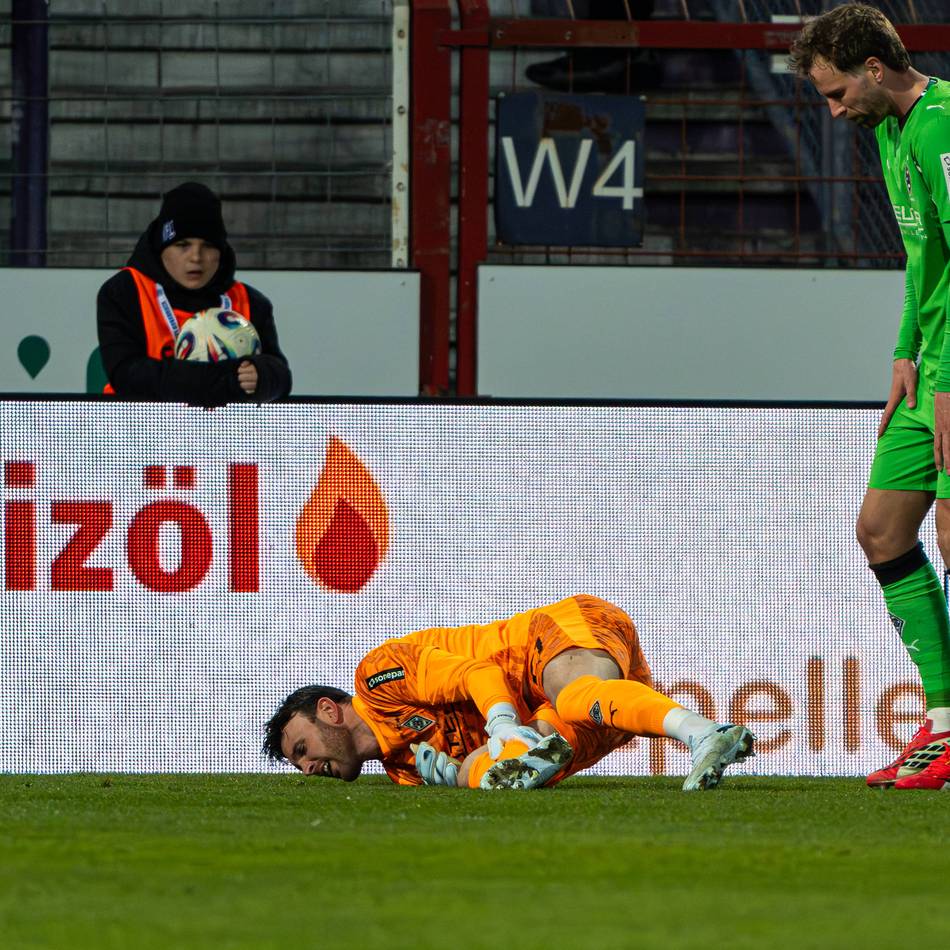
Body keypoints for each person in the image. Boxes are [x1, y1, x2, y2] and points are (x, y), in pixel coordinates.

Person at [790, 5, 950, 791]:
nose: (833, 109)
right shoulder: (891, 131)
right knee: (883, 531)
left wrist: (948, 380)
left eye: (834, 92)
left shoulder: (942, 127)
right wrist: (904, 353)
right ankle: (946, 722)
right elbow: (928, 260)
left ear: (875, 69)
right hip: (933, 364)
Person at [263, 594, 755, 791]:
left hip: (553, 641)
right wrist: (458, 774)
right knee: (495, 775)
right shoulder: (405, 774)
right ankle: (702, 735)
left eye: (301, 749)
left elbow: (480, 675)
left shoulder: (377, 678)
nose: (308, 768)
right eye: (297, 763)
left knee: (569, 696)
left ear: (328, 711)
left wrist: (498, 725)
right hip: (604, 708)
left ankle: (705, 733)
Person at [97, 181, 292, 406]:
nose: (196, 257)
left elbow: (282, 378)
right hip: (139, 428)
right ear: (162, 248)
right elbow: (129, 376)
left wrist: (262, 376)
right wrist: (229, 380)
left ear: (221, 251)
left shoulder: (251, 302)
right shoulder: (125, 291)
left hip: (226, 432)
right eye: (182, 245)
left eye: (208, 246)